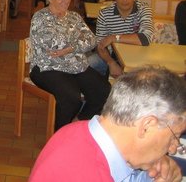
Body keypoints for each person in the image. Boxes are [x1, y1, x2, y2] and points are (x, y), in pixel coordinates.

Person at [30, 66, 186, 182]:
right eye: (174, 137)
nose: (173, 149)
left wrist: (149, 175)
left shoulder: (75, 130)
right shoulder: (87, 175)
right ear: (146, 126)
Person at [29, 0, 111, 131]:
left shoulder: (74, 16)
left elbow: (92, 40)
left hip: (75, 65)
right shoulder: (40, 17)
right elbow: (53, 44)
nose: (66, 0)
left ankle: (76, 124)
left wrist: (71, 48)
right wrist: (76, 42)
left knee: (104, 91)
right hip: (47, 67)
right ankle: (59, 138)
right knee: (71, 98)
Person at [88, 0, 154, 78]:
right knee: (87, 63)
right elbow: (100, 45)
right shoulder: (105, 13)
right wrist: (111, 63)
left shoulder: (143, 9)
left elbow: (145, 38)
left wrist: (113, 37)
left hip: (138, 58)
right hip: (112, 56)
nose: (125, 0)